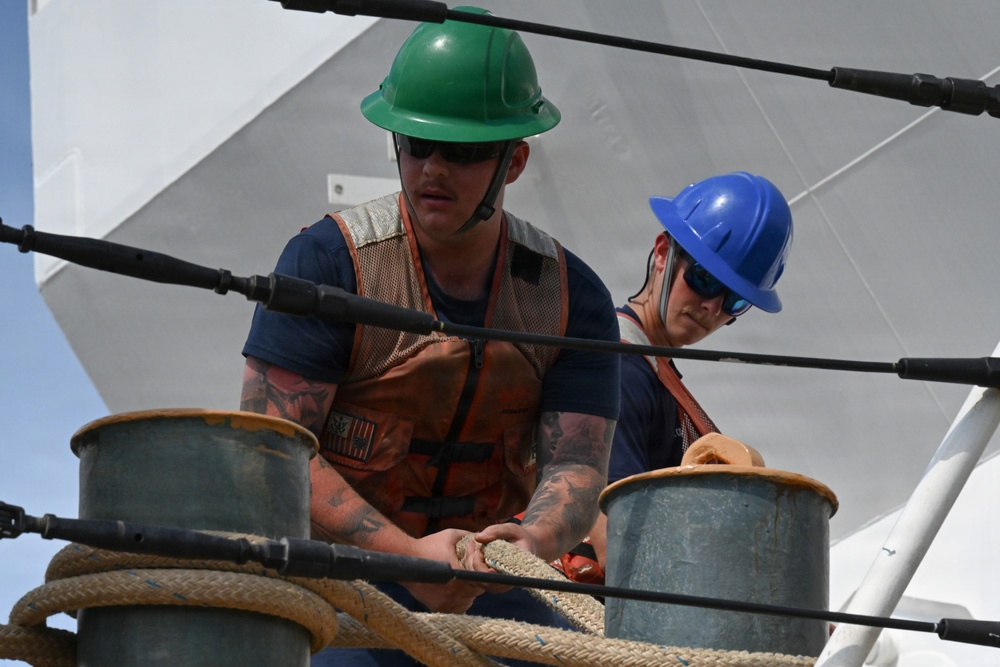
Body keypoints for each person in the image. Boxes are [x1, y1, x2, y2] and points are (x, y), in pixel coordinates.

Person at [239, 7, 620, 665]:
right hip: (337, 585)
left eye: (465, 150)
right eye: (416, 144)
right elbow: (271, 451)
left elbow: (577, 464)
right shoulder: (329, 265)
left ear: (516, 159)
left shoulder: (570, 301)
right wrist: (407, 556)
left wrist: (531, 541)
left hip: (493, 588)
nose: (433, 169)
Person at [575, 171, 794, 583]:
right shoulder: (620, 370)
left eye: (735, 299)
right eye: (705, 279)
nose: (711, 306)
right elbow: (620, 547)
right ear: (662, 253)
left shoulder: (653, 371)